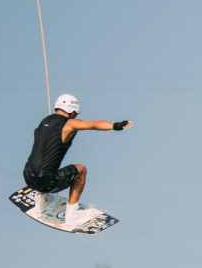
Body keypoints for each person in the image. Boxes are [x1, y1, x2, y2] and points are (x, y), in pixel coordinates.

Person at [23, 94, 132, 227]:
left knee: (47, 162)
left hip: (28, 177)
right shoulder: (69, 123)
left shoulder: (44, 122)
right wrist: (115, 125)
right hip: (46, 181)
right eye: (75, 113)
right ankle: (72, 215)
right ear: (71, 110)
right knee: (81, 170)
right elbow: (94, 124)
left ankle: (41, 201)